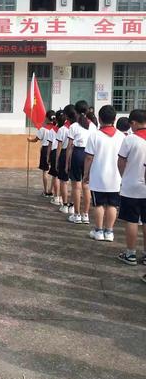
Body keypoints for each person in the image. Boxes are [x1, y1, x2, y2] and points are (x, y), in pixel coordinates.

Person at [83, 105, 124, 242]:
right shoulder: (121, 136)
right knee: (112, 205)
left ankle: (99, 230)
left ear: (99, 119)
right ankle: (109, 232)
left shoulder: (95, 135)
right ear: (114, 119)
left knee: (99, 204)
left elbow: (89, 157)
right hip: (116, 177)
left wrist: (86, 174)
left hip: (98, 176)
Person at [116, 109, 146, 267]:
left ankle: (131, 254)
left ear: (133, 123)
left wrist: (124, 176)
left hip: (132, 186)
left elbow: (121, 161)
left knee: (132, 220)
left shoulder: (130, 140)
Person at [65, 100, 97, 224]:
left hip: (77, 154)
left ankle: (77, 214)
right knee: (86, 185)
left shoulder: (73, 126)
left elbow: (69, 146)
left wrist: (67, 162)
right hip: (89, 154)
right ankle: (86, 215)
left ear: (76, 112)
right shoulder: (93, 126)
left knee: (76, 186)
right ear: (88, 110)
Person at [28, 110, 56, 197]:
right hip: (54, 150)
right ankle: (51, 191)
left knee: (45, 170)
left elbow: (36, 139)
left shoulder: (43, 129)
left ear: (47, 118)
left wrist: (29, 140)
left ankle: (46, 190)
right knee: (54, 172)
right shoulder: (57, 128)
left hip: (45, 149)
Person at [56, 104, 75, 214]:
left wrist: (57, 161)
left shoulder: (62, 129)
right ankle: (72, 205)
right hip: (76, 153)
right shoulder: (79, 127)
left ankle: (65, 205)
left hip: (64, 153)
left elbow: (59, 147)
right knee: (75, 182)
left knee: (64, 181)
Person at [47, 110, 62, 206]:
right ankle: (61, 197)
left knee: (55, 176)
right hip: (63, 153)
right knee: (62, 178)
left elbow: (49, 145)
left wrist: (48, 157)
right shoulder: (66, 129)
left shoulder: (52, 131)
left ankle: (57, 197)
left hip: (54, 152)